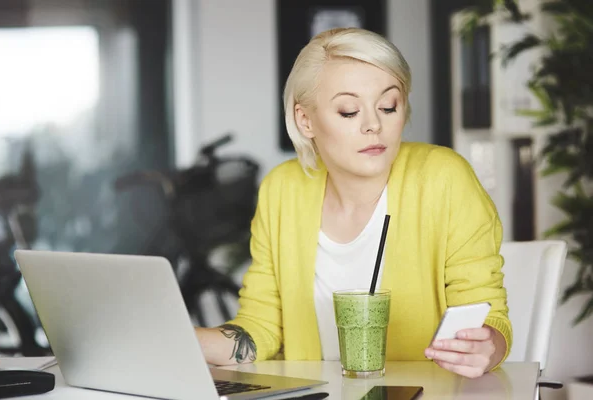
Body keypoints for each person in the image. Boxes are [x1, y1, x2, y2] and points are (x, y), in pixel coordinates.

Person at [196, 27, 512, 379]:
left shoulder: (443, 179)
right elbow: (261, 325)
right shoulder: (282, 190)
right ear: (306, 120)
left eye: (388, 106)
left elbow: (487, 315)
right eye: (349, 111)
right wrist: (184, 339)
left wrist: (488, 346)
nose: (373, 125)